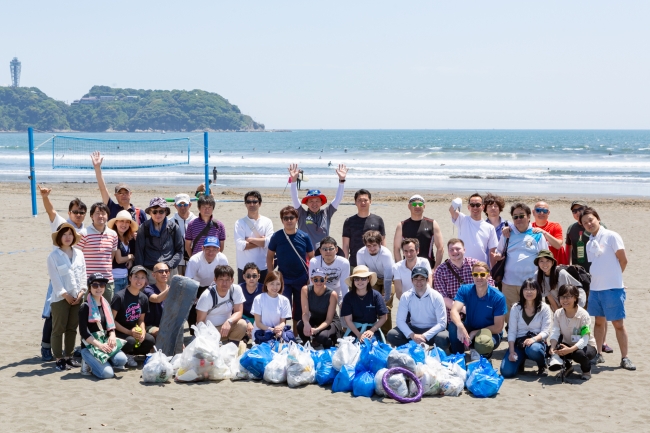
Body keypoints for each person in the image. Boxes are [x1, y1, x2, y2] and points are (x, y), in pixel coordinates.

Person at [580, 207, 635, 370]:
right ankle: (599, 354)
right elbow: (595, 263)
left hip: (612, 288)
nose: (589, 224)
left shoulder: (612, 236)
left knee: (618, 323)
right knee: (598, 323)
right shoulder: (590, 241)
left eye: (591, 220)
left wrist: (616, 278)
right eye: (584, 223)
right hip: (595, 288)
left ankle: (625, 358)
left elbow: (623, 260)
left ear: (598, 218)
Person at [37, 184, 86, 362]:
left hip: (76, 281)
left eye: (81, 212)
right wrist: (44, 197)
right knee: (52, 315)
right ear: (69, 212)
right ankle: (46, 347)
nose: (78, 215)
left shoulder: (84, 230)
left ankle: (69, 353)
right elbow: (51, 212)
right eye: (75, 212)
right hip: (58, 280)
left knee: (72, 322)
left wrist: (82, 288)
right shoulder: (61, 224)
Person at [566, 200, 614, 355]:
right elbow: (568, 250)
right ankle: (581, 339)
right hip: (578, 275)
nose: (577, 213)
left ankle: (603, 341)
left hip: (597, 274)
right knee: (580, 308)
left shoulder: (598, 227)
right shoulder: (571, 229)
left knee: (601, 313)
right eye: (574, 211)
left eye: (580, 209)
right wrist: (568, 267)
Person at [493, 203, 548, 323]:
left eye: (521, 216)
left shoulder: (537, 234)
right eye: (515, 217)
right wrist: (497, 256)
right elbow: (499, 251)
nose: (518, 219)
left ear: (529, 216)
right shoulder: (507, 234)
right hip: (509, 283)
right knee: (510, 314)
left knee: (531, 312)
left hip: (530, 283)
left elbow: (545, 257)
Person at [267, 206, 315, 329]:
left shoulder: (304, 236)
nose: (289, 220)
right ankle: (281, 332)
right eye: (286, 218)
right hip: (283, 279)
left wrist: (311, 276)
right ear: (282, 220)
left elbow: (312, 257)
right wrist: (271, 275)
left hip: (301, 278)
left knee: (299, 309)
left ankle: (296, 334)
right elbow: (270, 256)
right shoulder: (276, 236)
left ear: (297, 219)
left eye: (291, 217)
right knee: (282, 307)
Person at [47, 223, 86, 371]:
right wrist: (65, 295)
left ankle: (69, 357)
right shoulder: (53, 256)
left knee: (72, 329)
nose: (68, 237)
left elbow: (83, 275)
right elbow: (55, 279)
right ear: (59, 237)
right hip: (60, 300)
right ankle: (59, 359)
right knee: (58, 329)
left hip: (78, 297)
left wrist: (82, 292)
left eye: (70, 234)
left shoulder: (79, 254)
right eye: (64, 234)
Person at [449, 262, 507, 359]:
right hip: (470, 327)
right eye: (475, 274)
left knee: (483, 342)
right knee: (453, 326)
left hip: (489, 332)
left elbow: (498, 327)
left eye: (482, 274)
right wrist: (460, 326)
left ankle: (482, 354)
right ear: (472, 275)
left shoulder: (498, 297)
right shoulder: (464, 289)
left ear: (488, 275)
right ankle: (458, 357)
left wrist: (474, 332)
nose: (478, 277)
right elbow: (454, 311)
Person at [78, 274, 128, 379]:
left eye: (102, 284)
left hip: (104, 342)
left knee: (122, 360)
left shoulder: (106, 304)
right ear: (89, 287)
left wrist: (112, 335)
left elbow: (111, 327)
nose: (99, 288)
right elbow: (83, 332)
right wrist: (100, 346)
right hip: (90, 346)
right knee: (107, 374)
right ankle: (88, 364)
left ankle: (104, 361)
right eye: (95, 285)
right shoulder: (85, 307)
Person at [500, 279, 553, 378]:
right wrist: (511, 352)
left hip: (536, 342)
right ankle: (520, 361)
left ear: (537, 291)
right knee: (506, 372)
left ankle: (542, 365)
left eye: (532, 289)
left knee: (533, 349)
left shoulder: (544, 308)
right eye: (526, 289)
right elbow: (512, 331)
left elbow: (546, 331)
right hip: (519, 343)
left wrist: (533, 339)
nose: (529, 292)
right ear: (522, 291)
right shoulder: (516, 308)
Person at [386, 267, 449, 350]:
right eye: (416, 279)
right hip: (414, 328)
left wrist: (424, 336)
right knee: (392, 335)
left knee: (443, 338)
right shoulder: (406, 296)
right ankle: (412, 349)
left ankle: (431, 352)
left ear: (427, 280)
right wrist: (412, 335)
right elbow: (400, 320)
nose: (419, 282)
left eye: (422, 279)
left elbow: (442, 323)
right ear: (412, 280)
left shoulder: (437, 296)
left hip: (432, 329)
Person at [433, 238, 494, 323]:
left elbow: (490, 285)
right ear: (448, 251)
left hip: (479, 312)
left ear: (464, 250)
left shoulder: (474, 264)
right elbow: (443, 298)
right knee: (455, 335)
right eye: (451, 250)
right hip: (455, 317)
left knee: (482, 335)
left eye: (458, 249)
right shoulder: (440, 270)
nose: (454, 252)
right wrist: (464, 309)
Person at [289, 163, 347, 250]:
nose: (314, 204)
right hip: (305, 252)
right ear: (307, 203)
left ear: (321, 203)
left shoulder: (327, 212)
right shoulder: (301, 213)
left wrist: (341, 180)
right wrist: (293, 181)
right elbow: (294, 198)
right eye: (311, 201)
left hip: (324, 253)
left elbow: (338, 199)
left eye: (317, 201)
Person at [549, 284, 598, 380]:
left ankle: (586, 371)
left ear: (575, 298)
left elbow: (585, 338)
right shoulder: (558, 313)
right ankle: (568, 367)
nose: (565, 300)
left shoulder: (584, 315)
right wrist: (552, 347)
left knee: (579, 354)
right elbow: (555, 331)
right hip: (567, 343)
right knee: (550, 350)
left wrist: (570, 350)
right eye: (562, 297)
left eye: (568, 297)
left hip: (587, 346)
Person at [111, 266, 156, 367]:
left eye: (142, 277)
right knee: (130, 341)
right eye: (136, 276)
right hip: (118, 332)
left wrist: (143, 331)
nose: (139, 280)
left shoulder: (143, 298)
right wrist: (129, 332)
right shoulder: (119, 296)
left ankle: (131, 354)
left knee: (150, 340)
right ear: (130, 278)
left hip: (133, 331)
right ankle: (123, 355)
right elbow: (111, 321)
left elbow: (141, 320)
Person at [134, 197, 184, 281]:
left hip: (169, 272)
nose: (158, 215)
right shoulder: (143, 228)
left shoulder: (174, 228)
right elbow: (139, 253)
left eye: (161, 211)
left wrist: (169, 265)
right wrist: (142, 274)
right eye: (154, 211)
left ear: (166, 212)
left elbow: (179, 250)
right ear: (150, 212)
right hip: (150, 272)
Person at [196, 265, 248, 344]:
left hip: (227, 327)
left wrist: (229, 321)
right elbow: (200, 322)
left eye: (227, 280)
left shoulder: (236, 289)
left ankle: (232, 348)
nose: (224, 283)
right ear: (215, 280)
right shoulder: (206, 296)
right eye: (221, 279)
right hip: (210, 331)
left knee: (242, 324)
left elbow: (239, 312)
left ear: (232, 280)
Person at [78, 202, 118, 303]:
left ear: (108, 216)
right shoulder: (84, 233)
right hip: (88, 280)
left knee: (107, 311)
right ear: (91, 216)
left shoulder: (113, 234)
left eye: (103, 213)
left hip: (107, 280)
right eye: (97, 213)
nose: (100, 216)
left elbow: (111, 256)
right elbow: (77, 256)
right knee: (87, 311)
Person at [91, 151, 147, 224]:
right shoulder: (111, 208)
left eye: (126, 192)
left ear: (130, 194)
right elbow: (103, 189)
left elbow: (146, 232)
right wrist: (97, 167)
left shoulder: (139, 213)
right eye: (120, 193)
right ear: (116, 195)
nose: (123, 195)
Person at [356, 230, 395, 335]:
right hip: (373, 277)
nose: (372, 249)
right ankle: (372, 331)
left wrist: (386, 296)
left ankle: (386, 333)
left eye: (374, 245)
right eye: (369, 246)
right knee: (371, 304)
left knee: (385, 306)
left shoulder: (386, 254)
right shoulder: (360, 253)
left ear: (380, 243)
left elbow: (388, 277)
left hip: (388, 278)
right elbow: (363, 274)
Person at [392, 194, 444, 269]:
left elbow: (440, 248)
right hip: (408, 268)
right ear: (409, 206)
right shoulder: (402, 225)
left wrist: (435, 269)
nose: (417, 207)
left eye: (420, 204)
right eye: (414, 204)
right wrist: (401, 268)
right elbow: (396, 248)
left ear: (424, 207)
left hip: (428, 267)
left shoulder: (432, 223)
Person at [234, 190, 273, 283]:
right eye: (248, 202)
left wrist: (250, 240)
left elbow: (270, 242)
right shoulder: (239, 223)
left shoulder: (267, 222)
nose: (252, 204)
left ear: (260, 204)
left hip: (263, 266)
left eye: (255, 201)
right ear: (245, 204)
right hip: (244, 267)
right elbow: (240, 245)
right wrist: (261, 241)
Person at [341, 266, 388, 343]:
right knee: (348, 349)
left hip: (372, 327)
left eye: (363, 278)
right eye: (356, 278)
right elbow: (348, 320)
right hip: (355, 328)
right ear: (353, 280)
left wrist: (372, 330)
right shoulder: (348, 297)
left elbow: (384, 317)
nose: (360, 281)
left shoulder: (376, 295)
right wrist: (359, 335)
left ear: (368, 280)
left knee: (373, 348)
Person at [297, 268, 342, 349]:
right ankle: (307, 345)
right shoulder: (305, 290)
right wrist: (307, 324)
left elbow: (328, 319)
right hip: (315, 319)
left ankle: (331, 341)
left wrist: (317, 330)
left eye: (321, 279)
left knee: (322, 337)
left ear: (326, 279)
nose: (318, 282)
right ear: (311, 279)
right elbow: (305, 313)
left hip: (330, 322)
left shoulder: (332, 294)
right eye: (316, 279)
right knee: (300, 325)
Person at [449, 193, 498, 265]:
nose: (475, 207)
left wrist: (493, 271)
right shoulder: (462, 219)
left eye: (478, 205)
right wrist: (457, 201)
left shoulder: (490, 227)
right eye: (472, 205)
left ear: (483, 207)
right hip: (462, 266)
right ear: (468, 207)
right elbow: (451, 210)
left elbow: (492, 252)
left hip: (480, 268)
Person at [342, 189, 386, 268]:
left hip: (375, 264)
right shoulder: (349, 221)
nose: (363, 203)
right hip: (354, 263)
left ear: (370, 202)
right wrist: (344, 264)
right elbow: (345, 245)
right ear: (355, 202)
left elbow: (383, 244)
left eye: (365, 200)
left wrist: (383, 261)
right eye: (359, 200)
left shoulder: (378, 220)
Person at [251, 270, 294, 344]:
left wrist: (279, 329)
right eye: (272, 283)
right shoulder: (258, 299)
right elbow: (258, 323)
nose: (275, 287)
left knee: (290, 338)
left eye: (278, 284)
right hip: (262, 332)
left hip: (276, 332)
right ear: (266, 283)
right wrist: (271, 329)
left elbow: (283, 322)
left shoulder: (284, 300)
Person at [308, 237, 350, 303]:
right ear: (320, 250)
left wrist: (345, 303)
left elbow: (344, 285)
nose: (328, 252)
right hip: (321, 289)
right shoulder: (314, 262)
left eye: (331, 249)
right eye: (324, 249)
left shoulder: (344, 262)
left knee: (345, 307)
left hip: (338, 289)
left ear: (336, 250)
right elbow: (312, 283)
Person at [107, 210, 137, 293]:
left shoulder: (127, 238)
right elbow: (119, 259)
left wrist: (130, 259)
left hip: (125, 277)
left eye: (127, 222)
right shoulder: (114, 237)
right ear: (116, 223)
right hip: (115, 278)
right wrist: (131, 257)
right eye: (121, 221)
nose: (124, 224)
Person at [170, 193, 197, 276]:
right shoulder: (170, 222)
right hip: (176, 261)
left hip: (192, 261)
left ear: (190, 205)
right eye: (179, 205)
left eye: (185, 204)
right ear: (175, 205)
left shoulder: (196, 221)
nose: (182, 207)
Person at [143, 262, 171, 339]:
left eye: (167, 271)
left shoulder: (172, 288)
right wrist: (172, 288)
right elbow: (157, 299)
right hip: (151, 326)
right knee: (162, 333)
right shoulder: (148, 289)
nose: (164, 274)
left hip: (169, 325)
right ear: (154, 275)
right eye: (161, 272)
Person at [239, 262, 264, 340]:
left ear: (259, 276)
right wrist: (247, 322)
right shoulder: (238, 289)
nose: (251, 278)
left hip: (259, 319)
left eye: (254, 276)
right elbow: (234, 311)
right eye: (248, 276)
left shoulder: (264, 289)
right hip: (243, 318)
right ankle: (244, 336)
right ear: (244, 277)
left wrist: (256, 324)